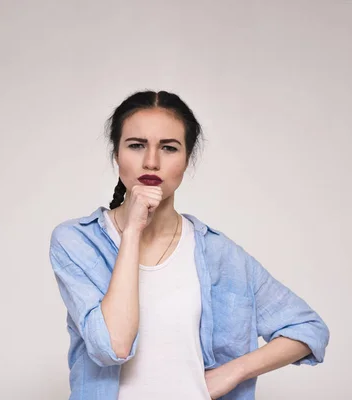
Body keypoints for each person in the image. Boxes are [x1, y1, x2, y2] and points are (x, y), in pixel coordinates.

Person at [48, 90, 330, 400]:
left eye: (169, 148)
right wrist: (131, 232)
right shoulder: (77, 241)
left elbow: (308, 328)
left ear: (187, 158)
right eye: (136, 145)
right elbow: (114, 346)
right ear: (116, 154)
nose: (151, 162)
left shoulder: (216, 253)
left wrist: (232, 372)